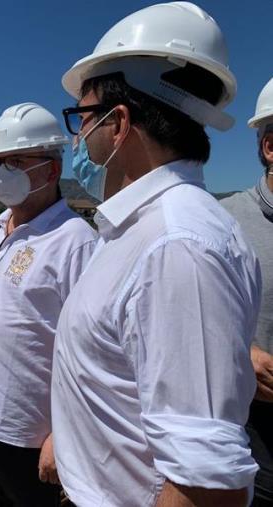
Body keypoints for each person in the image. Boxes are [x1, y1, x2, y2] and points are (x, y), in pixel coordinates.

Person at [50, 3, 261, 506]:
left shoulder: (178, 248)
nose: (76, 138)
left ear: (118, 124)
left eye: (82, 118)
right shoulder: (138, 230)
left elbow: (208, 486)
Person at [0, 102, 97, 506]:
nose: (4, 173)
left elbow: (89, 352)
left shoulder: (75, 242)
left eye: (15, 161)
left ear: (52, 170)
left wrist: (63, 434)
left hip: (32, 437)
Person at [220, 76, 273, 506]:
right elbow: (191, 320)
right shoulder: (225, 222)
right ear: (270, 147)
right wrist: (243, 352)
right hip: (254, 429)